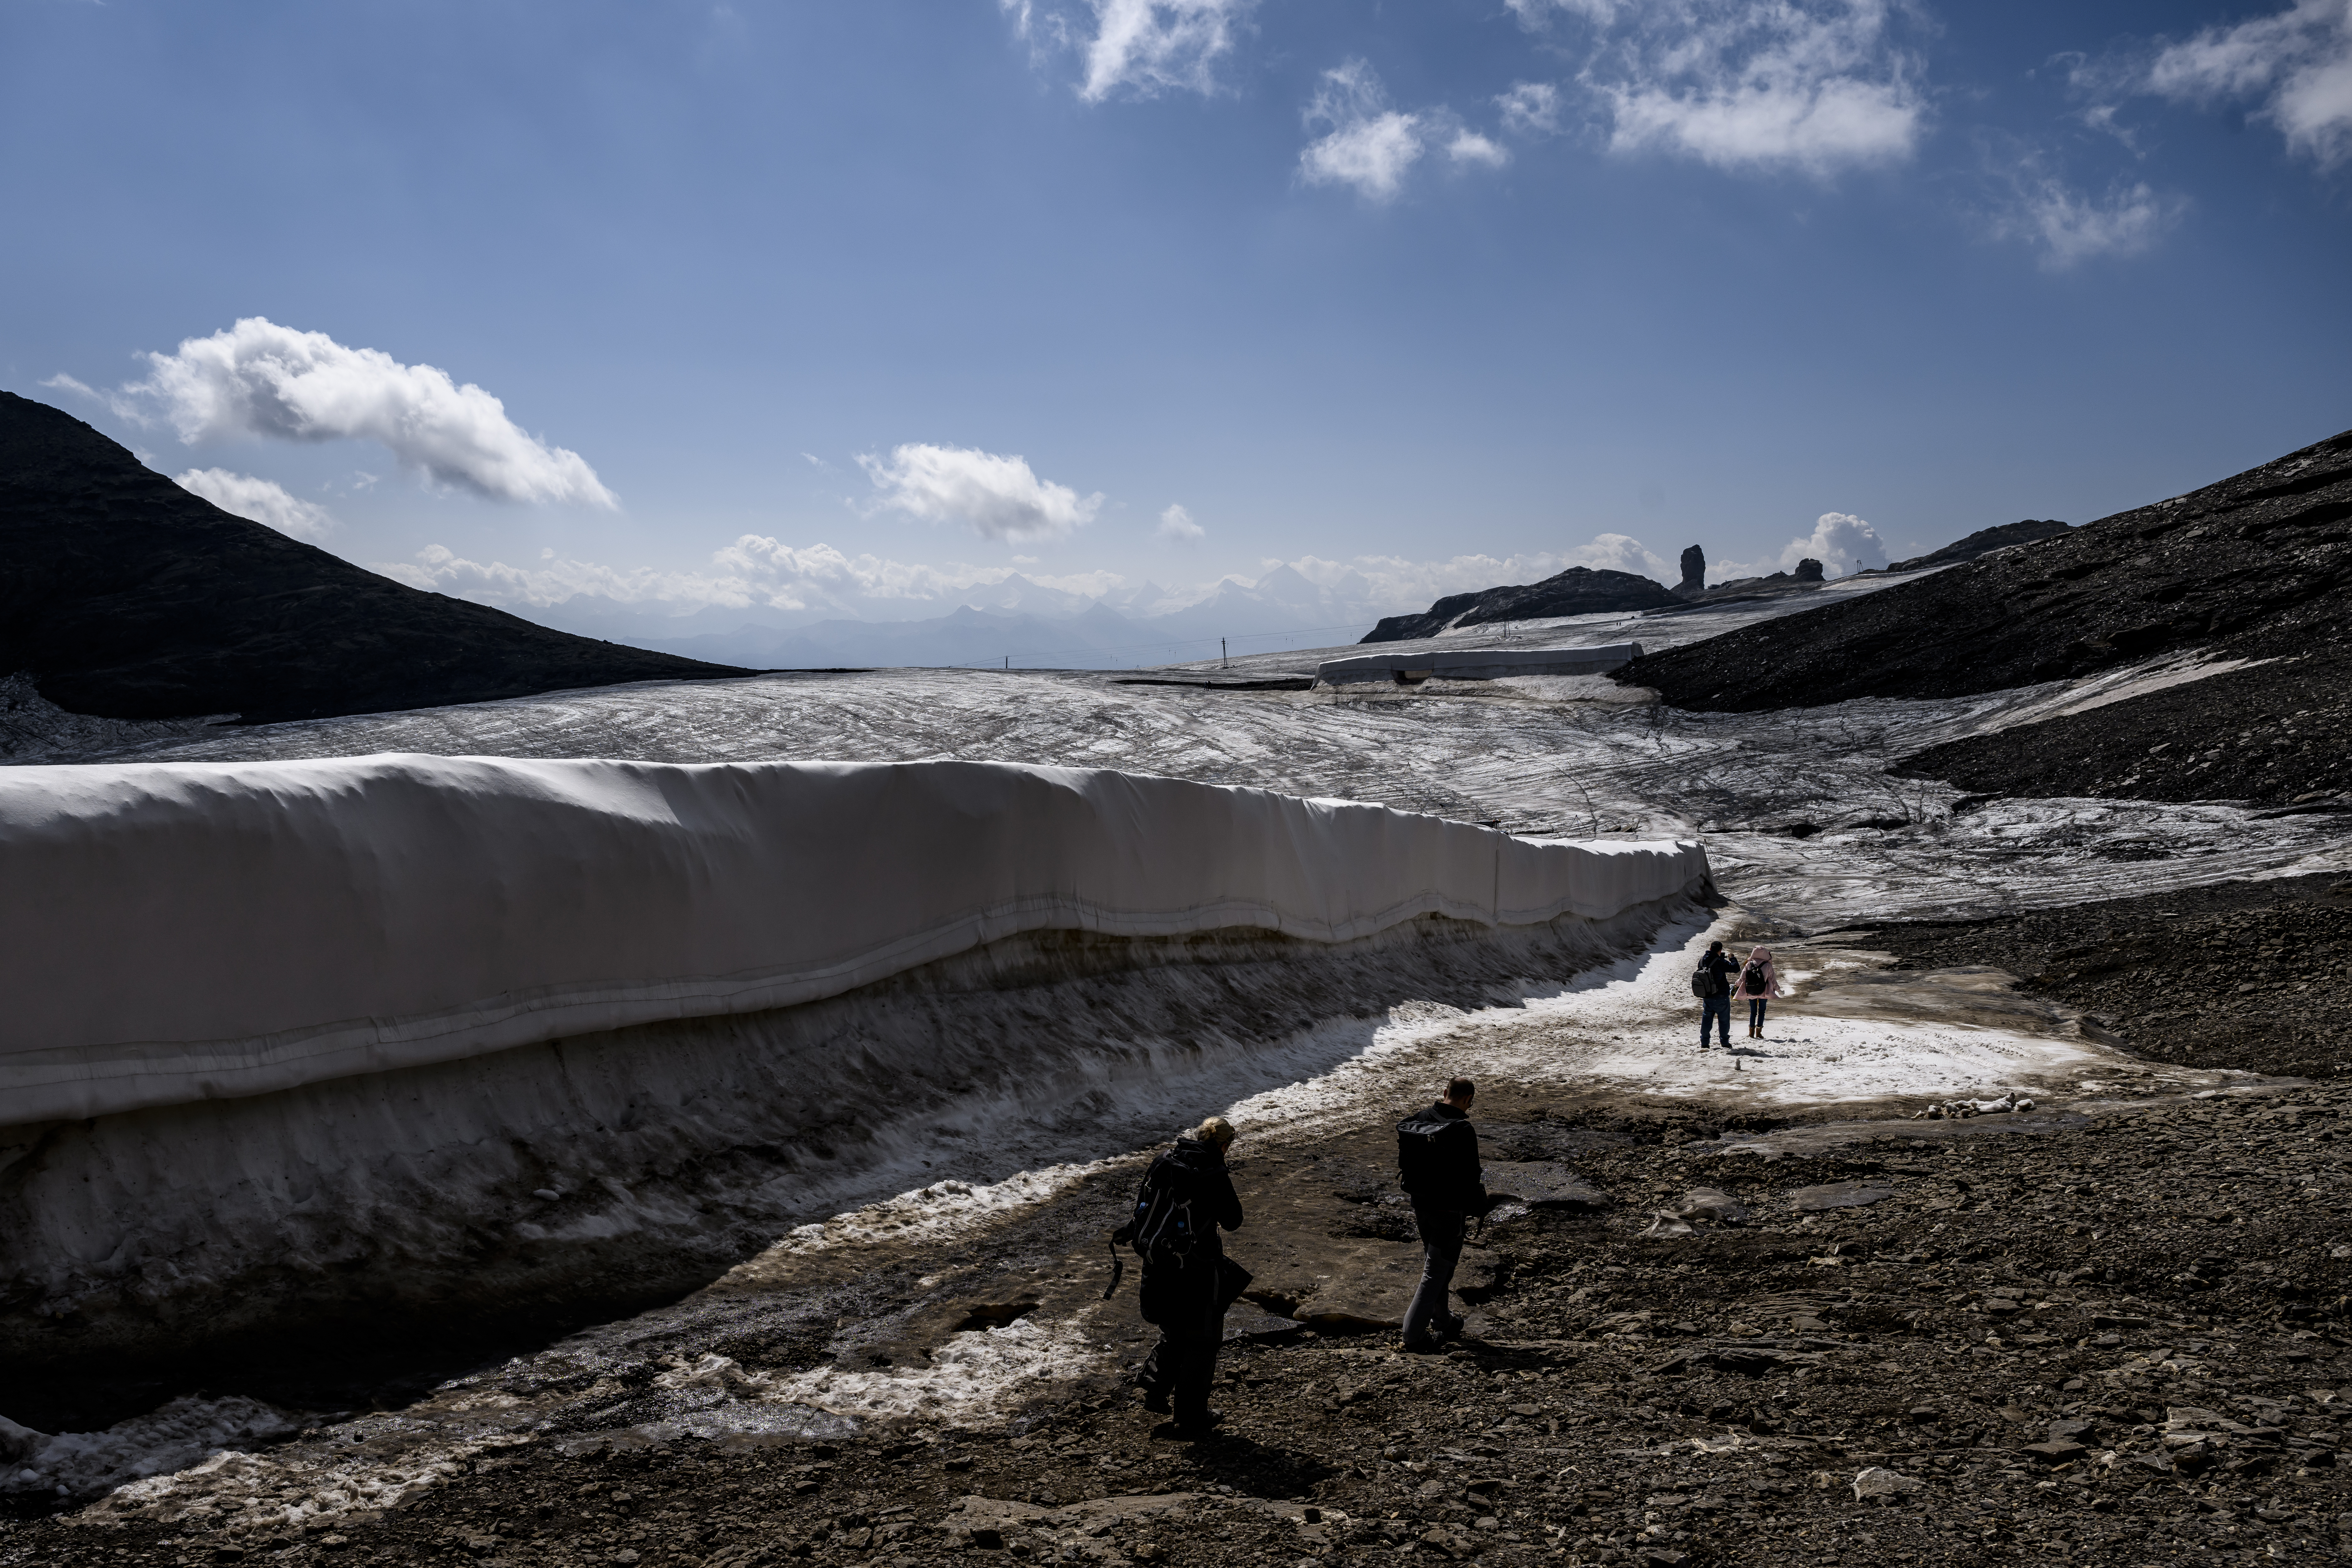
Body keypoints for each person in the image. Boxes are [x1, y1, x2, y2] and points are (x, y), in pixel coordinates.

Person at [1129, 1115, 1248, 1436]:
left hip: (1159, 1258)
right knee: (1203, 1338)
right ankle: (1191, 1417)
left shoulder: (1163, 1160)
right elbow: (1234, 1219)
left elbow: (1142, 1203)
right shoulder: (1213, 1171)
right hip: (1196, 1265)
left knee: (1173, 1327)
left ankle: (1155, 1388)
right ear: (1224, 1145)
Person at [1397, 1077, 1492, 1355]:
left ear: (1444, 1093)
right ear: (1468, 1099)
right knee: (1436, 1271)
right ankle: (1413, 1336)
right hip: (1449, 1211)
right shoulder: (1462, 1129)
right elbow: (1472, 1176)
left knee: (1439, 1266)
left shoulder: (1419, 1120)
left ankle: (1444, 1320)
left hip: (1421, 1205)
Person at [1693, 939, 1738, 1050]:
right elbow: (1736, 969)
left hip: (1707, 995)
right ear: (1720, 950)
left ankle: (1705, 1043)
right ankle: (1725, 1042)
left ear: (1710, 949)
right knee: (1724, 1020)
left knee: (1707, 1019)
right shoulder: (1719, 961)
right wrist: (1732, 958)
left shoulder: (1702, 960)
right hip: (1721, 997)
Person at [1732, 944, 1783, 1038]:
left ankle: (1751, 1033)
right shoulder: (1768, 966)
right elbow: (1773, 981)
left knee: (1753, 1012)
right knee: (1762, 1012)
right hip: (1764, 992)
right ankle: (1759, 1033)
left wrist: (1736, 986)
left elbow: (1742, 978)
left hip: (1751, 991)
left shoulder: (1749, 964)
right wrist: (1779, 991)